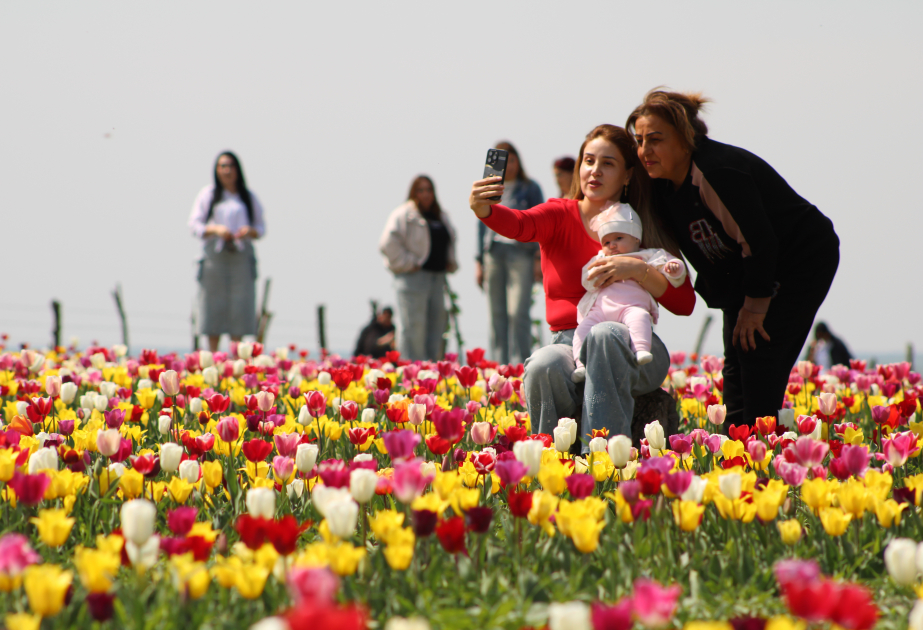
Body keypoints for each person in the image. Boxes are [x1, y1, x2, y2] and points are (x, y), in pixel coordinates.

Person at [469, 124, 695, 442]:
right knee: (542, 364)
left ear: (628, 175)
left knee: (605, 334)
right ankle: (551, 463)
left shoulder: (643, 223)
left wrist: (634, 268)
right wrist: (485, 210)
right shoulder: (559, 214)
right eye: (588, 161)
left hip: (635, 344)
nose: (595, 171)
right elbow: (520, 224)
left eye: (608, 163)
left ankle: (599, 457)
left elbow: (684, 303)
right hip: (569, 346)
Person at [628, 89, 839, 427]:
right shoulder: (662, 183)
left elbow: (760, 242)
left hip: (800, 258)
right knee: (736, 358)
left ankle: (760, 448)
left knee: (758, 351)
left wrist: (755, 309)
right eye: (639, 140)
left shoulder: (716, 172)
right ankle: (737, 445)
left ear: (685, 138)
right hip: (743, 270)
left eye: (655, 139)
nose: (644, 150)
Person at [572, 203, 686, 382]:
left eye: (619, 238)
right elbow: (587, 278)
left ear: (636, 239)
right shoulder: (601, 259)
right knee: (583, 329)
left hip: (631, 306)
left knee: (639, 317)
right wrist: (594, 276)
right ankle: (580, 363)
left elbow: (667, 264)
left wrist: (674, 268)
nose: (613, 245)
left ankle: (640, 349)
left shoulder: (646, 256)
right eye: (607, 242)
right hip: (601, 309)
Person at [188, 151, 265, 353]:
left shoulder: (247, 197)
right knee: (212, 308)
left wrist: (249, 231)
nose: (227, 170)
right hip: (215, 259)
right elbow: (194, 225)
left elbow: (261, 227)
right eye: (222, 166)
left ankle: (236, 360)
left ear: (238, 170)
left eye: (230, 166)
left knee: (239, 310)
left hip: (240, 257)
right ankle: (212, 358)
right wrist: (216, 229)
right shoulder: (208, 195)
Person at [476, 141, 544, 365]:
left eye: (512, 159)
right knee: (496, 313)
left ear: (519, 161)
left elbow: (539, 222)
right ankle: (498, 365)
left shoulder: (530, 188)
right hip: (494, 252)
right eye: (504, 160)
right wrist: (479, 261)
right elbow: (481, 222)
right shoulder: (490, 187)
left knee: (518, 312)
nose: (509, 165)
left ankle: (521, 364)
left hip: (521, 252)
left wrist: (537, 258)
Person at [379, 175, 457, 361]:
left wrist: (450, 261)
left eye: (429, 190)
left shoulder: (441, 216)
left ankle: (430, 370)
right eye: (421, 190)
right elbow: (387, 243)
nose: (426, 194)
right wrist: (408, 262)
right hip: (413, 278)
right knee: (413, 327)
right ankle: (412, 370)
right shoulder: (404, 214)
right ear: (414, 193)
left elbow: (450, 240)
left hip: (437, 278)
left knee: (436, 325)